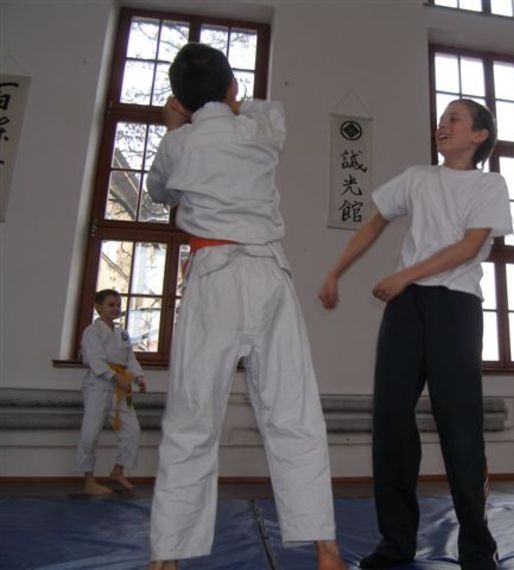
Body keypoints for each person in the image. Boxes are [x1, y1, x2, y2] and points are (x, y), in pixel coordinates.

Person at [145, 43, 343, 570]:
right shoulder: (259, 127)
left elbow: (160, 193)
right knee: (294, 412)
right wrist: (224, 103)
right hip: (269, 276)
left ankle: (167, 557)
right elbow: (261, 108)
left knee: (192, 417)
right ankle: (326, 548)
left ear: (179, 101)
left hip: (214, 277)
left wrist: (176, 125)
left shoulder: (178, 145)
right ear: (233, 88)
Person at [319, 99, 510, 570]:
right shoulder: (417, 177)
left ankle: (477, 547)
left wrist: (404, 275)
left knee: (459, 427)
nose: (442, 125)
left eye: (454, 120)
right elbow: (373, 225)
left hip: (456, 307)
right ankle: (396, 541)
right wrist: (335, 271)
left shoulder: (489, 184)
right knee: (390, 422)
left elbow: (469, 246)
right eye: (441, 119)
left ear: (479, 135)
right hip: (406, 310)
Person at [76, 288, 146, 495]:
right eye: (111, 305)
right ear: (98, 307)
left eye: (118, 305)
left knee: (132, 429)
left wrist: (138, 377)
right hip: (98, 386)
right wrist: (115, 377)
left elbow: (130, 359)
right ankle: (89, 480)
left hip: (122, 388)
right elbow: (95, 360)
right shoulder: (92, 332)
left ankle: (118, 471)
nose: (116, 309)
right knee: (90, 434)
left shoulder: (122, 334)